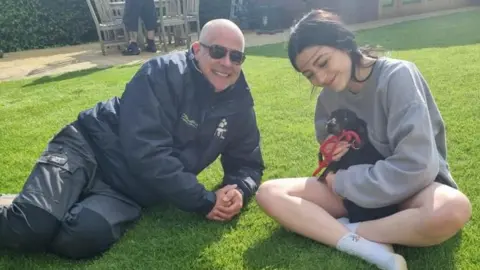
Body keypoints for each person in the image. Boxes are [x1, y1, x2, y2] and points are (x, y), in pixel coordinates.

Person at [0, 18, 264, 259]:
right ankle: (34, 209)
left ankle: (37, 203)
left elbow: (248, 163)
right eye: (217, 51)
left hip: (129, 191)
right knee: (28, 228)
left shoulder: (239, 104)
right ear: (196, 49)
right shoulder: (162, 73)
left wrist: (238, 189)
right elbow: (149, 154)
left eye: (236, 56)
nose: (227, 63)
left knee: (78, 240)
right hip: (88, 148)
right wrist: (204, 200)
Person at [255, 9, 472, 270]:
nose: (320, 78)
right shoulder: (327, 98)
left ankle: (350, 230)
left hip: (409, 190)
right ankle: (366, 244)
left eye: (322, 63)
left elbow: (417, 166)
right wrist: (332, 155)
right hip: (357, 192)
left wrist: (344, 181)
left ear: (343, 43)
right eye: (309, 74)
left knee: (453, 208)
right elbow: (328, 152)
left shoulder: (397, 76)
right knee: (270, 193)